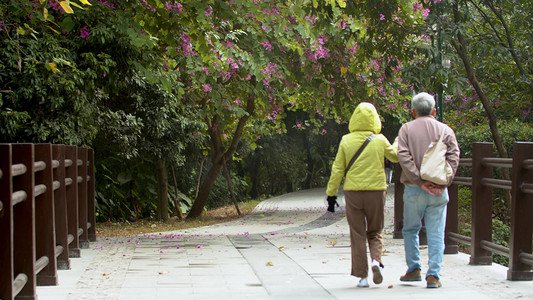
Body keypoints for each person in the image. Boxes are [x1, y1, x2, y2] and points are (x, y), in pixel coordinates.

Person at [326, 102, 398, 288]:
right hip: (376, 191)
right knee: (375, 230)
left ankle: (362, 277)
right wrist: (398, 142)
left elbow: (337, 169)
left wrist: (331, 194)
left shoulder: (346, 140)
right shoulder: (380, 140)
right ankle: (376, 261)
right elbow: (396, 157)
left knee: (357, 233)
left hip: (353, 192)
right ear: (375, 119)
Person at [397, 92, 460, 288]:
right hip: (439, 190)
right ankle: (433, 275)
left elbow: (403, 156)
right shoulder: (445, 130)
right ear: (434, 110)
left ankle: (414, 269)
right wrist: (443, 181)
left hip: (414, 189)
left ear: (413, 111)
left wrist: (419, 180)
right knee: (436, 232)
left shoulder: (406, 129)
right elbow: (454, 156)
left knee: (410, 229)